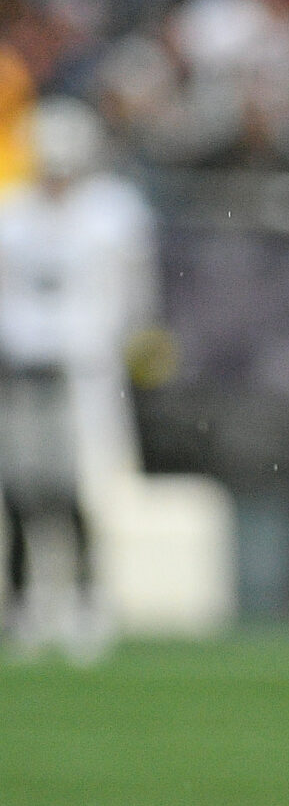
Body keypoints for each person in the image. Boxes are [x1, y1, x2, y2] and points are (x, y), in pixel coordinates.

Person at [0, 99, 158, 659]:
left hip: (88, 374)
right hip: (19, 373)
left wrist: (134, 345)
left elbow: (137, 294)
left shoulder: (113, 212)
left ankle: (87, 601)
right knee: (19, 490)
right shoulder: (13, 214)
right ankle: (21, 602)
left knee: (82, 491)